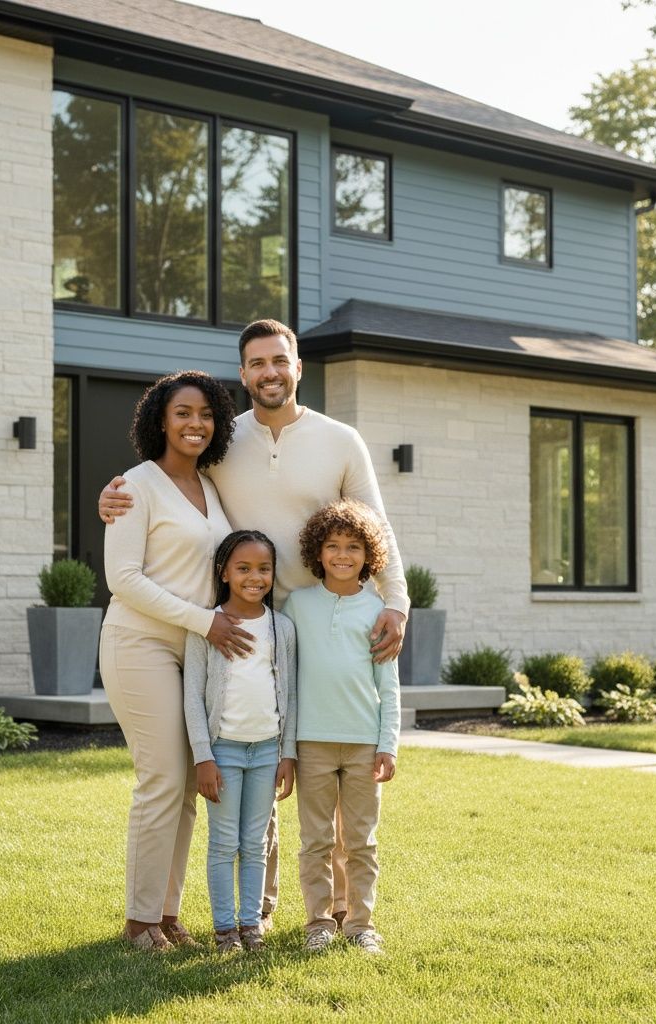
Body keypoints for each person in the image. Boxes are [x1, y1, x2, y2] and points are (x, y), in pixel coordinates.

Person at [100, 318, 410, 927]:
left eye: (279, 361)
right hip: (242, 629)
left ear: (298, 367)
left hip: (325, 629)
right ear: (243, 375)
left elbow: (378, 525)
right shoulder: (222, 443)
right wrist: (111, 497)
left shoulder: (340, 440)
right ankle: (255, 911)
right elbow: (161, 485)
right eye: (256, 364)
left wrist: (395, 602)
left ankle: (349, 915)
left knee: (332, 772)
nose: (269, 373)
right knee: (252, 765)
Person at [99, 370, 255, 952]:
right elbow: (124, 579)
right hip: (140, 643)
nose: (195, 424)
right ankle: (139, 921)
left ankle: (166, 914)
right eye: (183, 413)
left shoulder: (212, 487)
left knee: (191, 782)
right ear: (159, 420)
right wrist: (208, 622)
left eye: (206, 415)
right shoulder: (134, 486)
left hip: (195, 648)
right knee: (162, 778)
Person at [282, 499, 400, 955]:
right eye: (333, 545)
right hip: (311, 743)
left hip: (363, 747)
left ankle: (359, 924)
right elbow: (287, 684)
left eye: (353, 546)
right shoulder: (298, 605)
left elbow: (388, 688)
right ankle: (318, 923)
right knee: (315, 839)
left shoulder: (379, 611)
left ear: (368, 555)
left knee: (360, 841)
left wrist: (387, 744)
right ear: (318, 551)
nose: (343, 555)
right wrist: (287, 748)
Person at [183, 530, 297, 952]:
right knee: (223, 841)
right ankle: (224, 929)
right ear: (224, 572)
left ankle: (251, 925)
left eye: (264, 569)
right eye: (244, 568)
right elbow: (192, 697)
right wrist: (203, 758)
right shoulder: (205, 627)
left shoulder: (280, 628)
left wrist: (288, 754)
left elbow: (292, 694)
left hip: (267, 751)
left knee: (255, 842)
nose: (255, 577)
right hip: (224, 751)